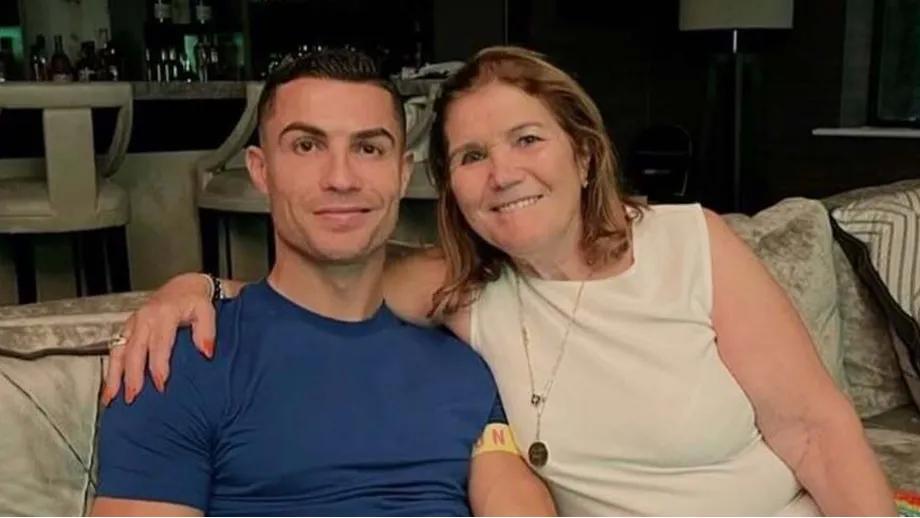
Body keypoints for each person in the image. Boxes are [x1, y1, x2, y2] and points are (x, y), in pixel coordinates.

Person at [104, 46, 896, 516]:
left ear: (583, 152)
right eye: (473, 156)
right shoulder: (464, 293)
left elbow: (816, 431)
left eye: (527, 140)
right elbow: (319, 282)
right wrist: (194, 289)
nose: (503, 174)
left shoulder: (685, 244)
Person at [90, 49, 555, 517]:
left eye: (368, 148)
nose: (341, 178)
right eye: (307, 146)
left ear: (401, 173)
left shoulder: (462, 363)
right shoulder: (178, 358)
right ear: (261, 170)